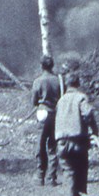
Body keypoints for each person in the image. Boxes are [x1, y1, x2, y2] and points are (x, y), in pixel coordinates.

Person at [55, 73, 99, 196]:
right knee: (80, 167)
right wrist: (94, 129)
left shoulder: (60, 100)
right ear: (78, 83)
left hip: (61, 140)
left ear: (67, 84)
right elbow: (88, 114)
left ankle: (74, 195)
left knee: (68, 168)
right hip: (78, 140)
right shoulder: (81, 98)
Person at [31, 55, 63, 186]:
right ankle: (51, 177)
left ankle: (40, 175)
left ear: (41, 66)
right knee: (52, 146)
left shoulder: (38, 81)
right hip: (55, 113)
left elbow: (33, 101)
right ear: (52, 66)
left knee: (40, 144)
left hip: (42, 113)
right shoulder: (59, 80)